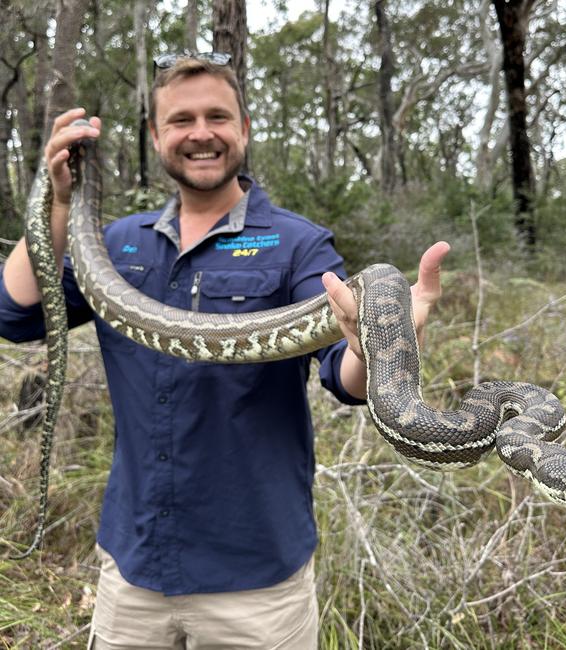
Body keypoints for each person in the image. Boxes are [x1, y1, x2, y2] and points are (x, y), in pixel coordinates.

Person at [0, 54, 449, 649]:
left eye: (218, 116)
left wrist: (387, 343)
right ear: (157, 136)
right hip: (134, 570)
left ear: (243, 129)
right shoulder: (115, 244)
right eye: (181, 119)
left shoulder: (298, 244)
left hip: (257, 583)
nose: (201, 132)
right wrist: (58, 203)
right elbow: (18, 315)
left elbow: (346, 380)